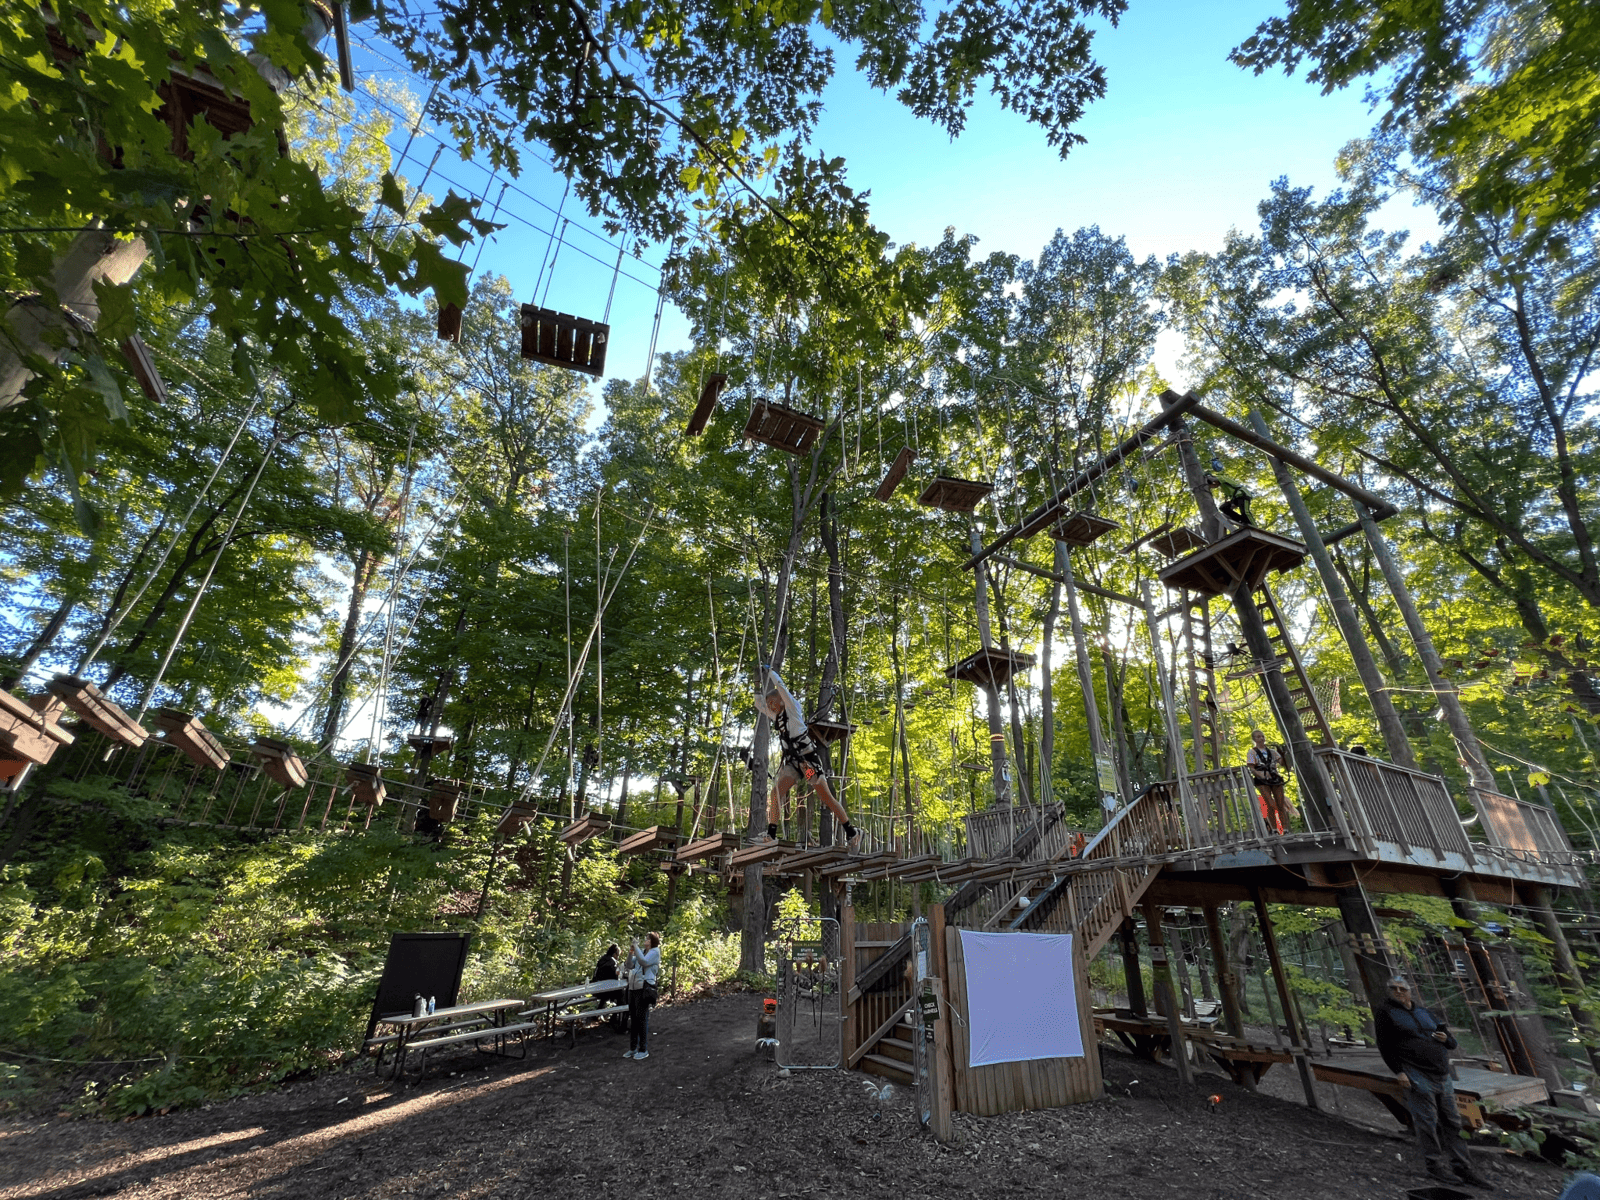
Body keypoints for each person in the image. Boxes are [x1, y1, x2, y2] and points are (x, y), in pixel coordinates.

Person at [1374, 976, 1492, 1189]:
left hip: (1442, 1073)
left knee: (1453, 1121)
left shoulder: (1425, 1012)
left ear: (1410, 991)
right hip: (1415, 1072)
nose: (1399, 992)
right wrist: (1399, 1072)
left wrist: (1445, 1039)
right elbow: (1384, 1044)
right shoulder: (1386, 1013)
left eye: (1403, 988)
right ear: (1389, 992)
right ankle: (1435, 1165)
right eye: (1394, 989)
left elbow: (1451, 1042)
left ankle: (1462, 1167)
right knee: (1427, 1121)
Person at [756, 666, 860, 850]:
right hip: (793, 763)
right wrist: (758, 682)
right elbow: (758, 704)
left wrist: (771, 672)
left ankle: (851, 831)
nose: (771, 706)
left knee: (825, 796)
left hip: (807, 762)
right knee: (776, 793)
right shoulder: (778, 717)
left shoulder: (793, 709)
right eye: (770, 704)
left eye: (773, 702)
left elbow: (781, 688)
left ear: (781, 700)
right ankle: (771, 834)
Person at [1246, 729, 1295, 835]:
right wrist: (1261, 775)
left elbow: (1282, 763)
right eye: (1258, 737)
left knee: (1280, 803)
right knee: (1270, 804)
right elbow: (1251, 767)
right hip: (1262, 780)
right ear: (1254, 739)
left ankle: (1285, 829)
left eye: (1262, 736)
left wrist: (1284, 754)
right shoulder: (1252, 752)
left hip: (1275, 778)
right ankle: (1274, 829)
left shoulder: (1272, 752)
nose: (1261, 738)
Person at [623, 932, 661, 1060]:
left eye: (648, 939)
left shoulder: (655, 952)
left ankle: (643, 1049)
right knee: (633, 1019)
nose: (645, 941)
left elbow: (644, 962)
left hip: (643, 988)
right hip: (633, 988)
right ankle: (633, 1048)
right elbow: (629, 965)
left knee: (642, 1019)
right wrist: (631, 952)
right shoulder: (642, 952)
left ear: (653, 941)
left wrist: (636, 946)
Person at [591, 943, 626, 1034]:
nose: (618, 957)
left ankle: (597, 1014)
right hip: (604, 991)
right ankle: (615, 1018)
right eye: (618, 955)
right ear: (615, 954)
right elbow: (615, 978)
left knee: (611, 992)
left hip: (596, 988)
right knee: (621, 994)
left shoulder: (603, 959)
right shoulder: (612, 962)